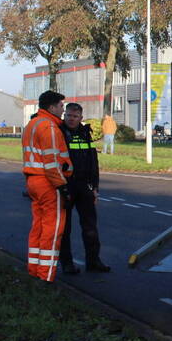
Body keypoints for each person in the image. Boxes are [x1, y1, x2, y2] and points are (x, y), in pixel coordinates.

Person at [22, 90, 73, 282]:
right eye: (61, 106)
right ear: (51, 107)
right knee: (53, 230)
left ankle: (34, 270)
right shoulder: (49, 127)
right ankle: (46, 276)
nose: (63, 110)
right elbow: (52, 162)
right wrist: (63, 187)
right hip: (48, 183)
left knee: (38, 227)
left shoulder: (32, 124)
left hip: (33, 181)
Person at [58, 103, 110, 273]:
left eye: (75, 116)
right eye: (68, 116)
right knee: (65, 228)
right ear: (64, 116)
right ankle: (67, 264)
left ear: (81, 118)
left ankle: (93, 261)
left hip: (84, 186)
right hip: (65, 186)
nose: (71, 119)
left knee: (90, 227)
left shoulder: (85, 133)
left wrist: (95, 187)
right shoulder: (59, 133)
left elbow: (93, 162)